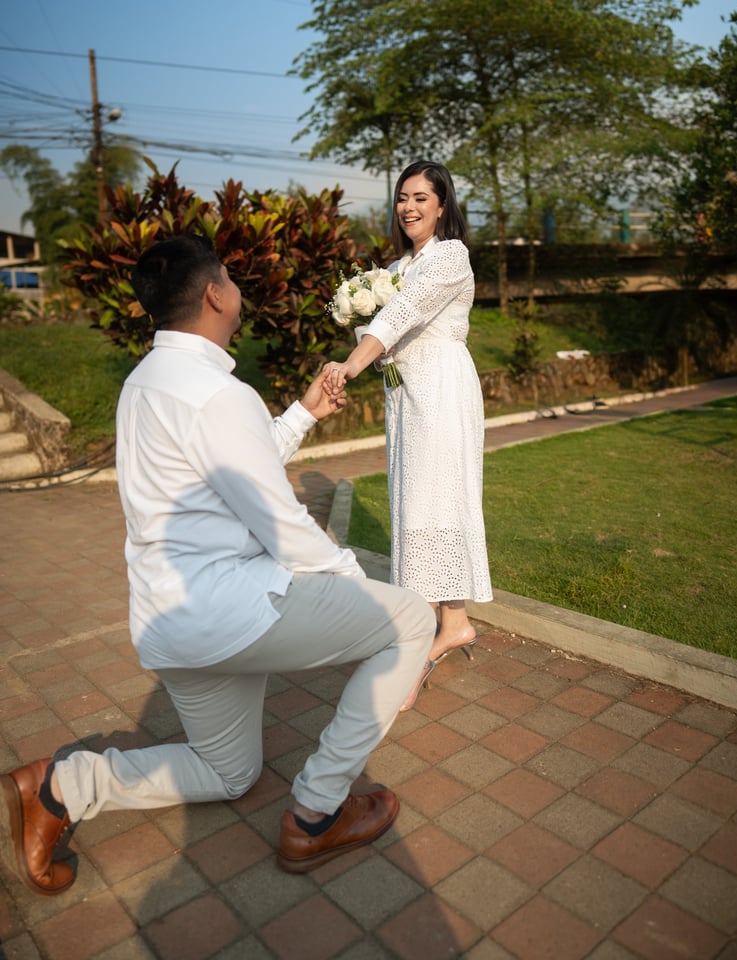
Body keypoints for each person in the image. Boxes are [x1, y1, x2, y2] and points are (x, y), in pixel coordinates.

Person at [0, 235, 435, 896]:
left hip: (168, 624)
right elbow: (283, 524)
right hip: (232, 612)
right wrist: (357, 588)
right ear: (213, 295)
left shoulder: (145, 382)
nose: (236, 288)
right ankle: (316, 814)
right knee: (409, 621)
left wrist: (303, 414)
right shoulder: (217, 394)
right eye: (229, 277)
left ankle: (62, 785)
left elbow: (230, 466)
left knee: (229, 772)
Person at [326, 160, 493, 711]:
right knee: (416, 503)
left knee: (433, 501)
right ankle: (454, 623)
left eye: (422, 197)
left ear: (442, 206)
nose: (409, 207)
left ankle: (417, 639)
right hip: (406, 395)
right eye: (403, 197)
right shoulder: (400, 265)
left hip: (442, 391)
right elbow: (387, 324)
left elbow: (400, 315)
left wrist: (351, 365)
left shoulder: (450, 256)